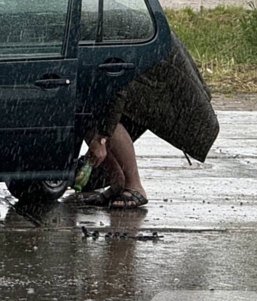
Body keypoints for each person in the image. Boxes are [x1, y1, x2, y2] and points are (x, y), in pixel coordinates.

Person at [75, 35, 219, 209]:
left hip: (155, 73)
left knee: (102, 117)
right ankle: (118, 182)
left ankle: (134, 186)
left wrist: (101, 139)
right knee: (89, 114)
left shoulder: (112, 46)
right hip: (136, 61)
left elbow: (116, 94)